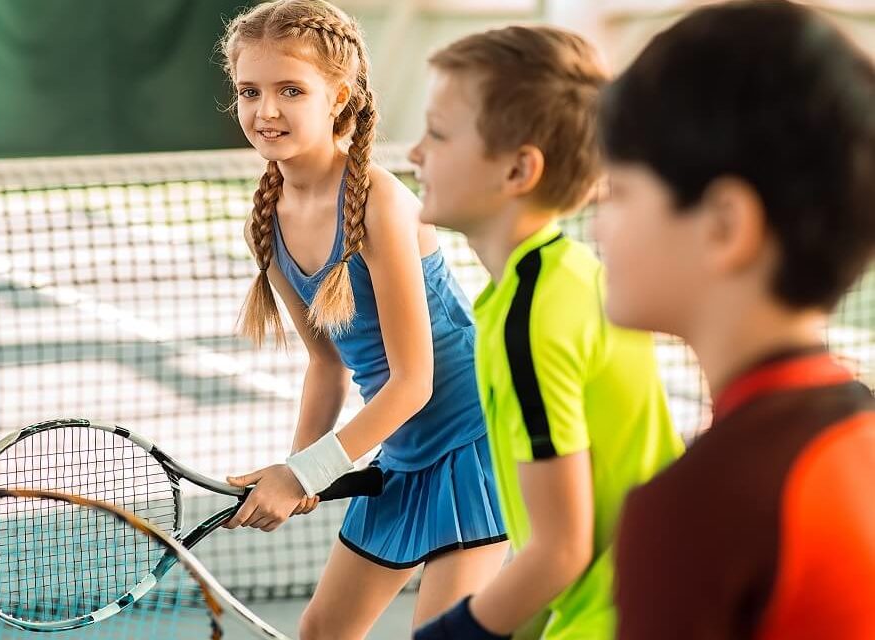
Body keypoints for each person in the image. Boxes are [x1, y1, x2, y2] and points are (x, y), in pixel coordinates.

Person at [217, 2, 508, 637]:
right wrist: (300, 473)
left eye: (291, 90)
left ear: (339, 97)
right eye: (250, 92)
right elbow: (327, 364)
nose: (266, 111)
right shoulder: (266, 222)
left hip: (476, 436)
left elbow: (414, 382)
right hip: (403, 449)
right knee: (321, 633)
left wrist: (305, 471)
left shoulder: (380, 201)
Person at [594, 1, 875, 637]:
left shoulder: (694, 508)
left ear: (725, 225)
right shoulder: (855, 431)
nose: (601, 229)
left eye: (619, 194)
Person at [411, 25, 683, 639]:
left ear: (518, 169)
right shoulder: (567, 278)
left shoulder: (529, 321)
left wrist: (449, 635)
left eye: (438, 133)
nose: (416, 153)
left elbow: (561, 550)